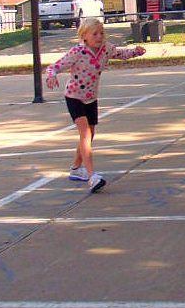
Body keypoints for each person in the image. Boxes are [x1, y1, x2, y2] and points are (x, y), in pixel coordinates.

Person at [46, 18, 146, 192]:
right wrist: (51, 75)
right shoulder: (78, 51)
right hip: (74, 96)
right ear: (84, 36)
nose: (99, 37)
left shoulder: (105, 49)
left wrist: (135, 52)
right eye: (95, 34)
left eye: (102, 33)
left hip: (91, 97)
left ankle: (76, 169)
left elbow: (120, 53)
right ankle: (92, 176)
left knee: (90, 134)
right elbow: (55, 66)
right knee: (85, 133)